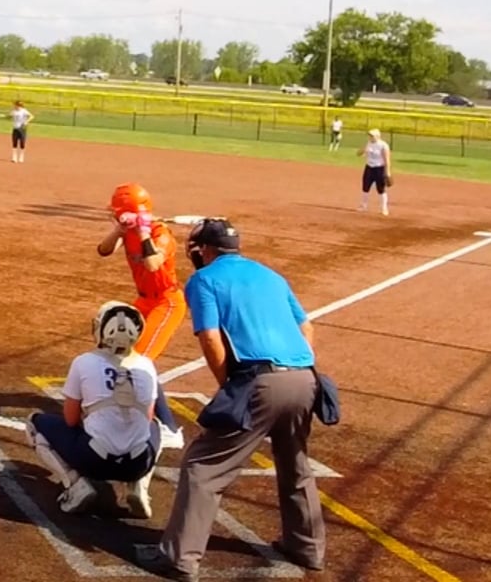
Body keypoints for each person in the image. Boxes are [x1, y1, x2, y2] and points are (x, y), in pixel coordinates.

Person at [138, 218, 326, 579]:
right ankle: (307, 548)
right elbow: (306, 327)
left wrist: (230, 386)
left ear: (205, 250)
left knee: (203, 467)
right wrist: (298, 367)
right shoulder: (271, 276)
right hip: (306, 380)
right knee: (295, 465)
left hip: (259, 382)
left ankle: (179, 558)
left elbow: (210, 337)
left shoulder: (204, 280)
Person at [27, 300, 170, 518]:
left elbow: (70, 420)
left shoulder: (83, 362)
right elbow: (147, 418)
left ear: (103, 330)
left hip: (94, 461)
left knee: (35, 424)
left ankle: (76, 485)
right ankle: (138, 487)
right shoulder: (147, 365)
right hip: (137, 464)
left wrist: (94, 416)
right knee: (155, 426)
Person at [95, 183, 187, 450]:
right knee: (121, 352)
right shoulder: (127, 231)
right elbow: (103, 250)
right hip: (144, 300)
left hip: (166, 302)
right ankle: (127, 411)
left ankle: (169, 428)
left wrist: (144, 231)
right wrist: (121, 229)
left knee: (140, 362)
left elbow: (153, 264)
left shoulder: (161, 234)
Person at [358, 129, 391, 216]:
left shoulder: (383, 145)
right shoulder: (368, 143)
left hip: (379, 168)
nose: (370, 137)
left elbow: (387, 160)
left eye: (372, 136)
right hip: (369, 167)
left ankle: (384, 208)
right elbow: (358, 154)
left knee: (381, 189)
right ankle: (364, 206)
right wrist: (363, 150)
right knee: (365, 187)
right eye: (370, 135)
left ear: (378, 136)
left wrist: (387, 172)